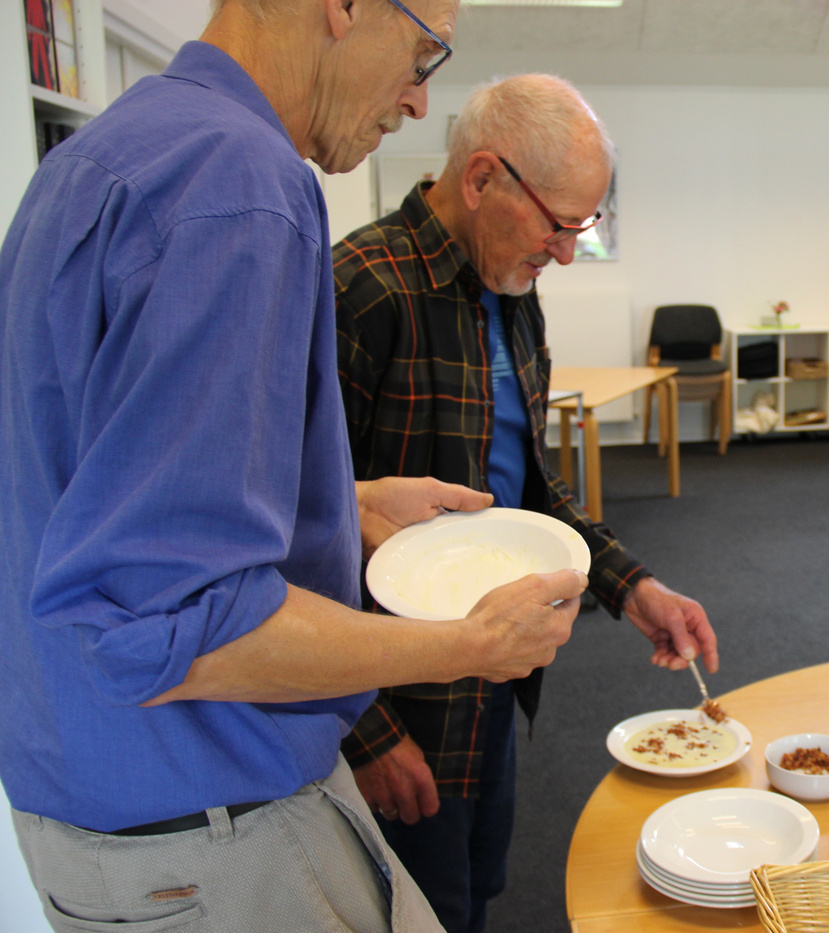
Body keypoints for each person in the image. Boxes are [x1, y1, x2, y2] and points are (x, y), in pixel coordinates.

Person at [0, 2, 591, 930]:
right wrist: (467, 644)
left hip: (92, 801)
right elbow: (171, 624)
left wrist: (341, 499)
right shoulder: (239, 183)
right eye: (425, 50)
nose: (416, 97)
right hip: (208, 825)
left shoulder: (98, 159)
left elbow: (99, 484)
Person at [333, 74, 719, 933]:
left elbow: (528, 490)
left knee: (476, 891)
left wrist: (632, 586)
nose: (569, 253)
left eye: (584, 228)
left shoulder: (511, 295)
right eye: (560, 224)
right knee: (415, 911)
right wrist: (364, 733)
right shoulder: (362, 293)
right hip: (399, 697)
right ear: (481, 180)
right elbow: (298, 533)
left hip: (492, 685)